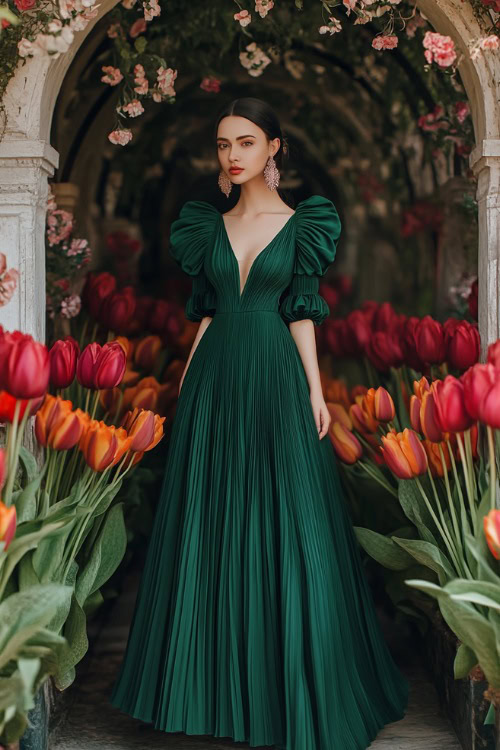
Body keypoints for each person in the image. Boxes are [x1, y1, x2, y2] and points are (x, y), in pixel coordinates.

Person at [110, 96, 409, 749]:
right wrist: (187, 381)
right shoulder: (203, 225)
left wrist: (313, 390)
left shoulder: (306, 224)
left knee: (291, 517)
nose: (232, 154)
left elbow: (301, 311)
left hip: (277, 374)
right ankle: (208, 691)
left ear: (273, 148)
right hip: (215, 378)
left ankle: (298, 689)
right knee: (210, 521)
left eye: (246, 142)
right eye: (223, 144)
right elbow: (208, 311)